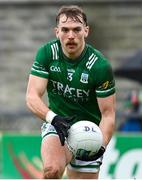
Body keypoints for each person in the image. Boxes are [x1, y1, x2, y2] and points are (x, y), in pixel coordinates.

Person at [26, 5, 116, 179]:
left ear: (86, 31)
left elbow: (108, 114)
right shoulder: (47, 54)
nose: (71, 36)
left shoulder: (100, 66)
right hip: (58, 124)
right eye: (65, 30)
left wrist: (101, 145)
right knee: (51, 171)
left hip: (89, 131)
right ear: (57, 32)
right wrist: (54, 118)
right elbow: (31, 97)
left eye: (77, 29)